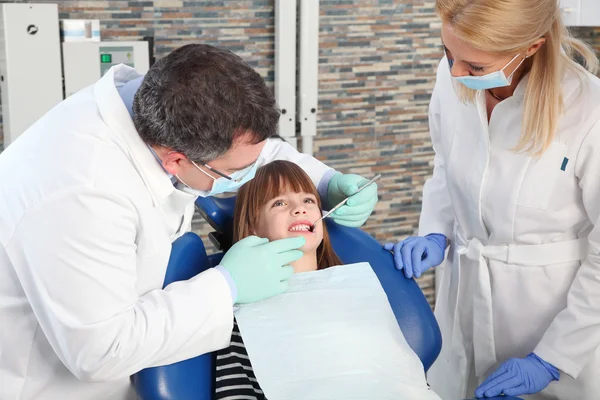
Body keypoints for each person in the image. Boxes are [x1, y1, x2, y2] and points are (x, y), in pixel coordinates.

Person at [0, 44, 378, 400]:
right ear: (175, 161)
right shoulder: (82, 191)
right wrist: (226, 287)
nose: (249, 176)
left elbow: (245, 150)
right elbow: (100, 350)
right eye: (236, 174)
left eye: (307, 202)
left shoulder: (170, 103)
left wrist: (326, 181)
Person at [384, 1, 600, 399]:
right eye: (448, 53)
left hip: (555, 324)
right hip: (463, 304)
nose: (455, 73)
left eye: (475, 67)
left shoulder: (589, 112)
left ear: (531, 47)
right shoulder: (454, 75)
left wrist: (553, 357)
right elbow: (446, 165)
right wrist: (435, 235)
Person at [215, 160, 437, 400]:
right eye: (279, 202)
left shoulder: (358, 292)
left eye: (308, 200)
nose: (299, 209)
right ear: (251, 228)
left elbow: (405, 379)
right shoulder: (241, 316)